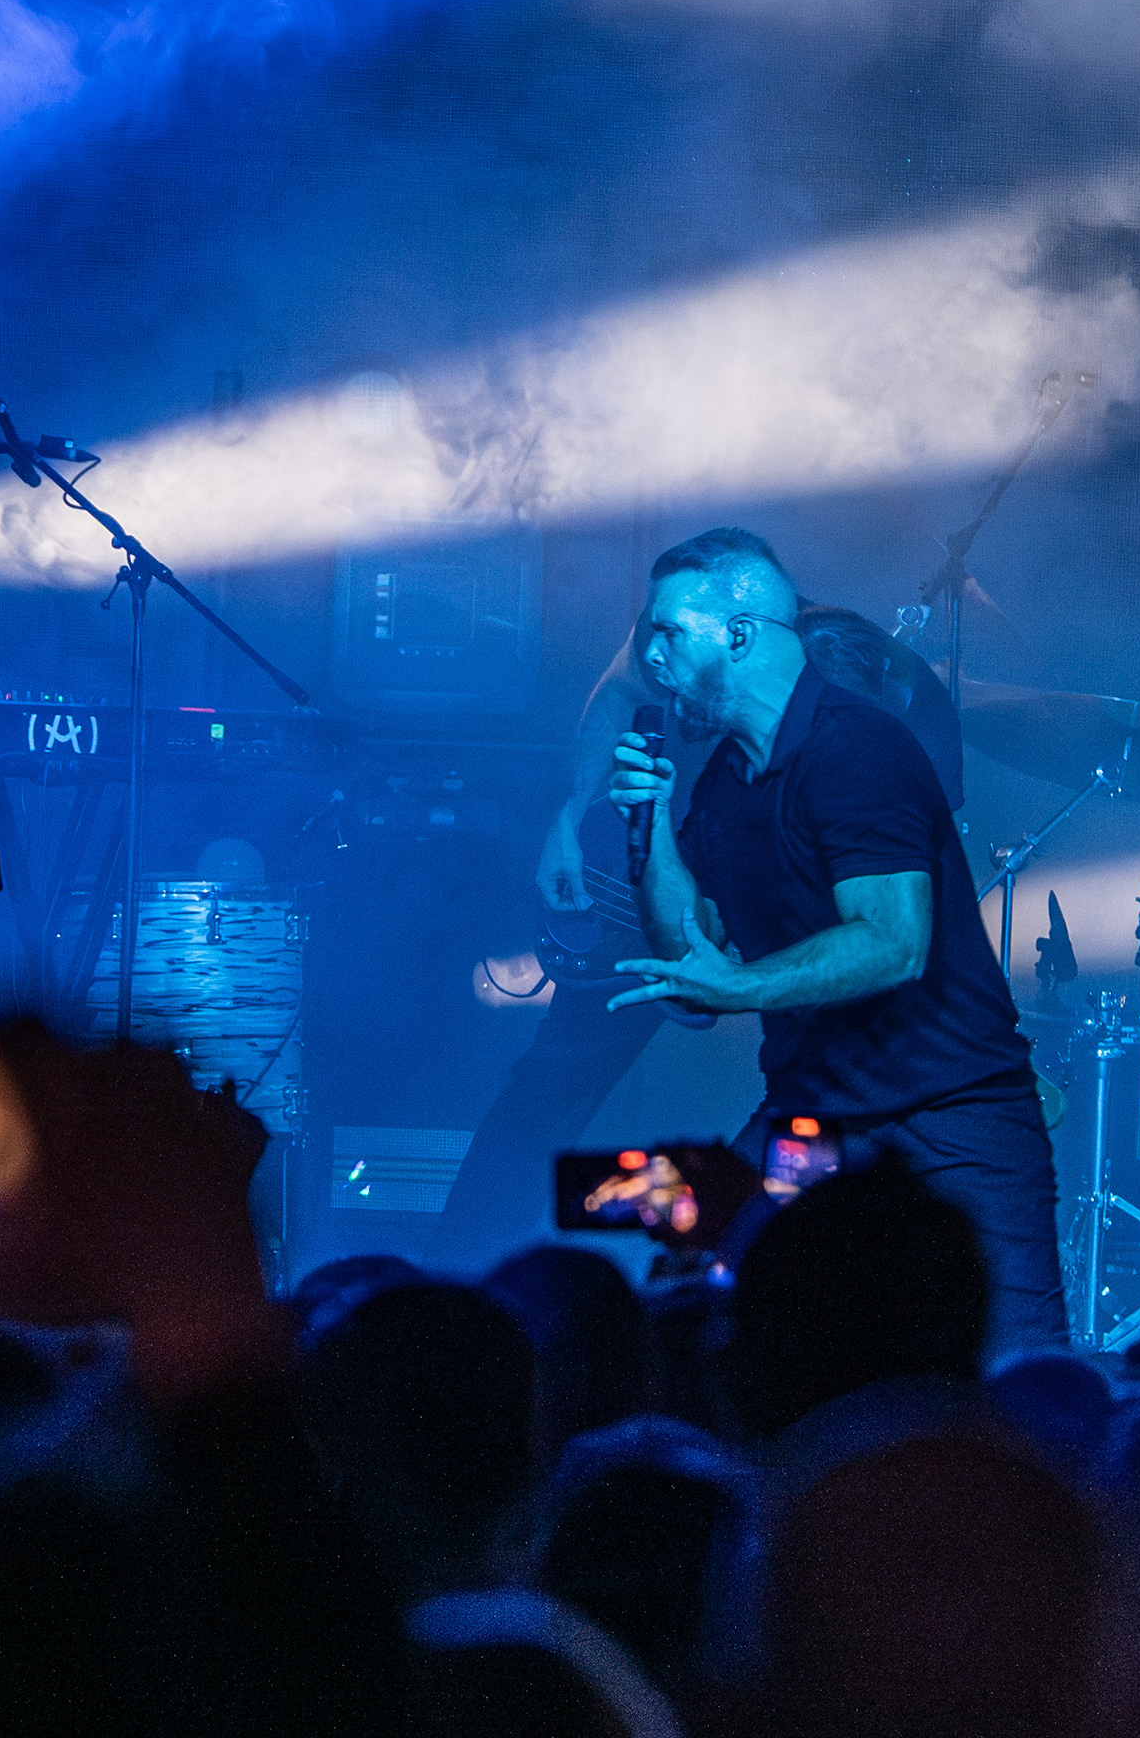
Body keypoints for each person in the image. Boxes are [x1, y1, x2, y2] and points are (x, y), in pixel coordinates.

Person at [605, 529, 1065, 1354]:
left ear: (737, 635)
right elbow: (688, 963)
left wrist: (740, 986)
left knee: (1014, 1371)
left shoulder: (855, 747)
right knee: (698, 1314)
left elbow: (893, 943)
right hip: (814, 1113)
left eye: (669, 632)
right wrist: (651, 824)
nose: (652, 657)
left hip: (952, 1115)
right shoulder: (727, 780)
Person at [431, 593, 963, 1266]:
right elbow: (618, 687)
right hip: (643, 872)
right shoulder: (705, 628)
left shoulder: (923, 742)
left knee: (824, 1088)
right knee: (550, 1087)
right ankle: (455, 1278)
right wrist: (568, 816)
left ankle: (760, 1269)